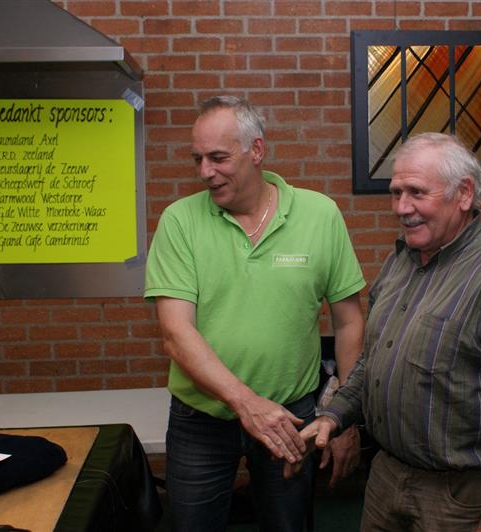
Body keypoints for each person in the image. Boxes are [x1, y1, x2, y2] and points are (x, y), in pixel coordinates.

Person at [294, 132, 481, 531]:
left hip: (458, 498)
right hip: (386, 480)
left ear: (464, 194)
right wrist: (334, 416)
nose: (401, 208)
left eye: (417, 193)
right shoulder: (400, 263)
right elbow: (374, 361)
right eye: (396, 193)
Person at [144, 95, 365, 532]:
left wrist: (344, 415)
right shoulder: (179, 221)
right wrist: (248, 404)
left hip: (292, 416)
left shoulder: (319, 214)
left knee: (288, 524)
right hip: (201, 422)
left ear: (257, 150)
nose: (205, 171)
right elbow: (175, 334)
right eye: (198, 159)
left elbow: (349, 322)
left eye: (218, 157)